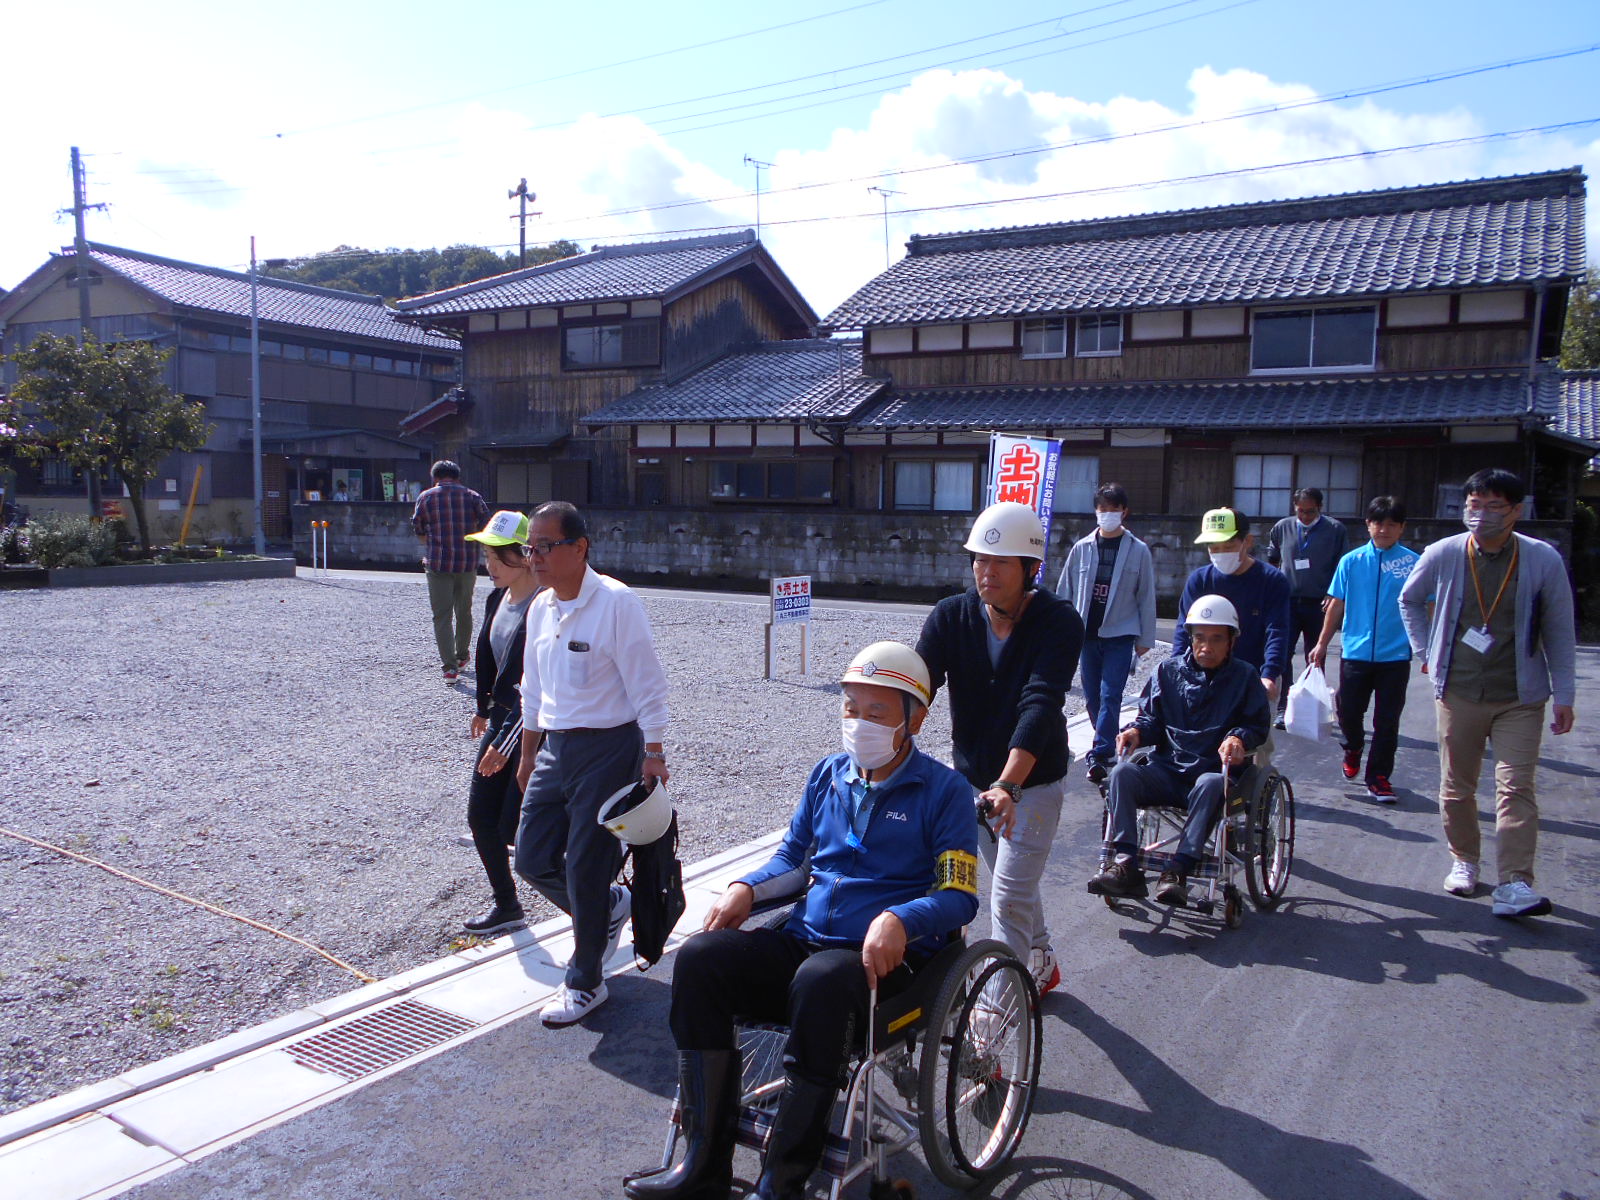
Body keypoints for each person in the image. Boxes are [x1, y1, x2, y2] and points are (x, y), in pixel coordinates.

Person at [623, 642, 978, 1200]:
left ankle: (783, 1181)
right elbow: (793, 860)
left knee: (821, 982)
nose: (858, 723)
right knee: (700, 960)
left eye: (877, 713)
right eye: (850, 708)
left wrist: (901, 918)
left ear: (916, 719)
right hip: (806, 941)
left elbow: (959, 895)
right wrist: (746, 887)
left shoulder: (946, 792)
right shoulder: (828, 776)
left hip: (884, 964)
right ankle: (702, 1166)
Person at [514, 501, 670, 1026]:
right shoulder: (542, 606)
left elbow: (647, 682)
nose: (533, 556)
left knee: (583, 862)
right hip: (557, 747)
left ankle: (586, 981)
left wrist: (653, 751)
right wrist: (529, 749)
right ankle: (607, 905)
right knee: (532, 858)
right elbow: (532, 686)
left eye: (544, 546)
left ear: (579, 548)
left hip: (609, 746)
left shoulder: (615, 603)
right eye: (529, 547)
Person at [918, 501, 1081, 997]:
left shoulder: (1058, 622)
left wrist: (1008, 784)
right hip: (972, 780)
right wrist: (889, 741)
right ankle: (1042, 957)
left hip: (1030, 784)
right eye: (979, 560)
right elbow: (921, 685)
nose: (985, 572)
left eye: (1000, 562)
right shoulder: (951, 616)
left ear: (1031, 569)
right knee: (1014, 882)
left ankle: (990, 1032)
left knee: (1006, 895)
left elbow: (1041, 703)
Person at [1399, 469, 1577, 917]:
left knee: (1515, 786)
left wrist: (1566, 693)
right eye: (1474, 505)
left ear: (1517, 510)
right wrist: (1425, 651)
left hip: (1520, 694)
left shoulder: (1543, 559)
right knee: (1457, 787)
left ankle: (1516, 883)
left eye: (1493, 506)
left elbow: (1559, 628)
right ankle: (1464, 860)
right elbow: (1409, 599)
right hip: (1457, 690)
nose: (1480, 515)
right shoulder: (1444, 553)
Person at [1088, 594, 1273, 907]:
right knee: (1121, 773)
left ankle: (1178, 870)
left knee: (1212, 782)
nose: (1206, 647)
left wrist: (1239, 738)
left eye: (1216, 639)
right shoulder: (1167, 671)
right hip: (1168, 770)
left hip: (1213, 775)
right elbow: (1151, 721)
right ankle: (1125, 863)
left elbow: (1257, 724)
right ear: (1191, 637)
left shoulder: (1245, 677)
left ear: (1231, 641)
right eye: (1200, 638)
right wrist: (1135, 731)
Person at [459, 510, 542, 935]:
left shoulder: (546, 608)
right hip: (501, 720)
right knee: (480, 817)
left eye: (496, 556)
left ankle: (597, 894)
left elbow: (539, 689)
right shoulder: (497, 598)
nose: (487, 565)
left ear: (524, 556)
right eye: (485, 555)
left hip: (534, 728)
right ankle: (507, 904)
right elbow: (488, 658)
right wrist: (480, 706)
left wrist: (504, 743)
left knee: (516, 825)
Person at [1308, 496, 1419, 803]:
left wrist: (1429, 649)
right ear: (1368, 525)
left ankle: (1379, 777)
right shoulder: (1351, 561)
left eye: (1391, 524)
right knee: (1348, 711)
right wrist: (1321, 643)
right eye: (1378, 523)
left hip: (1395, 656)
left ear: (1401, 528)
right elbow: (1336, 604)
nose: (1384, 529)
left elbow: (1427, 606)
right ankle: (1353, 747)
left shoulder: (1412, 563)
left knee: (1387, 720)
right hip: (1355, 652)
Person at [1056, 483, 1157, 784]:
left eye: (1114, 509)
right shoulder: (1082, 548)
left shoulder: (1138, 551)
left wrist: (1144, 640)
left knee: (1110, 693)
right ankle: (1110, 739)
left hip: (1121, 634)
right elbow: (1066, 591)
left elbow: (1146, 595)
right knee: (1091, 697)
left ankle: (1100, 754)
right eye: (1103, 509)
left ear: (1124, 512)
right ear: (1095, 511)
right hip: (1087, 634)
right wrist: (1060, 630)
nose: (1108, 514)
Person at [1175, 507, 1291, 704]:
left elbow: (1277, 630)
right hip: (1205, 675)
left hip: (1254, 675)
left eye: (1228, 547)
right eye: (1214, 548)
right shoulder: (1200, 580)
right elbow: (1184, 629)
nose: (1220, 554)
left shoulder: (1271, 580)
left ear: (1247, 541)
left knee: (1252, 733)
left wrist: (1269, 674)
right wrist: (1176, 669)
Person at [1266, 488, 1348, 725]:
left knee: (1316, 656)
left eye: (1310, 511)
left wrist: (1334, 594)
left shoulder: (1335, 530)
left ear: (1320, 508)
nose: (1305, 516)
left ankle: (1313, 709)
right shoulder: (1282, 527)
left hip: (1319, 604)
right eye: (1300, 511)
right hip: (1288, 602)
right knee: (1282, 655)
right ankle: (1284, 707)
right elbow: (1272, 560)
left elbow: (1342, 567)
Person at [411, 460, 490, 686]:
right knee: (464, 611)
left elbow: (417, 527)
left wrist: (432, 543)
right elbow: (487, 526)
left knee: (441, 616)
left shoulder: (426, 497)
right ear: (457, 476)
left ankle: (449, 668)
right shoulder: (473, 496)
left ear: (435, 477)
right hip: (467, 563)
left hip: (437, 563)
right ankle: (463, 655)